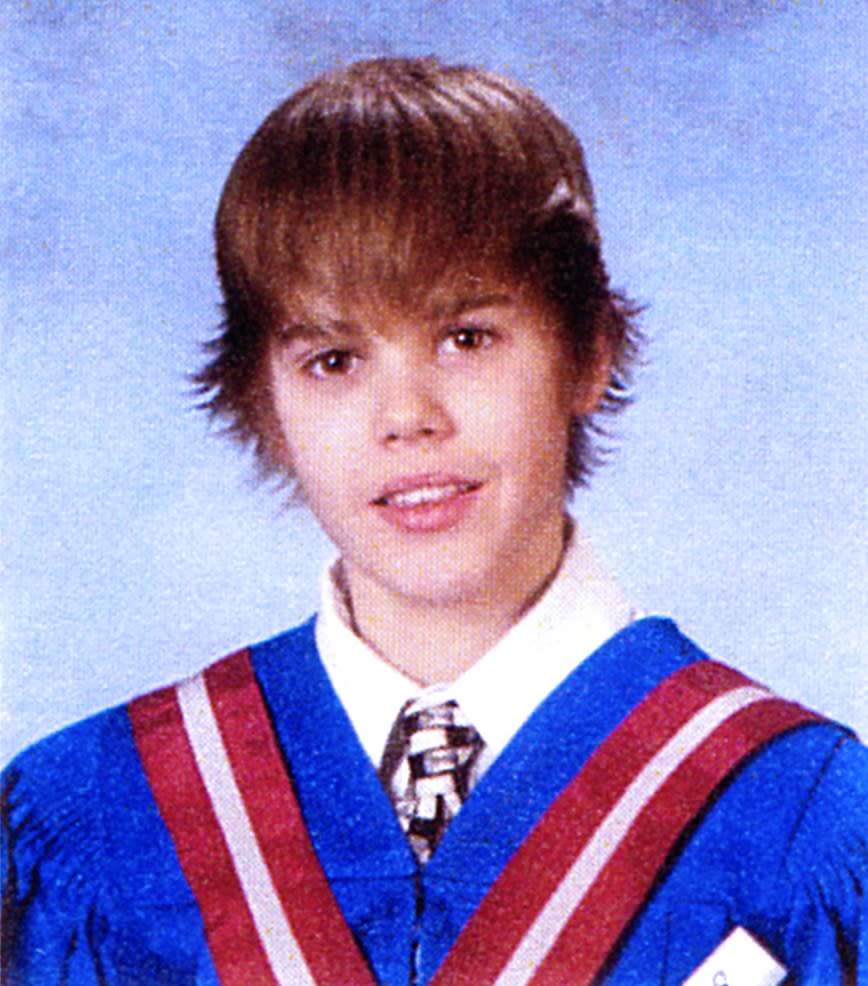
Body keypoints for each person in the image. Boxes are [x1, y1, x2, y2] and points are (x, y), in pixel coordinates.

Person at [2, 56, 865, 986]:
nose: (406, 416)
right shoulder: (101, 820)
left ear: (588, 354)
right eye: (334, 359)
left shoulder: (795, 821)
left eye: (466, 338)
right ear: (265, 403)